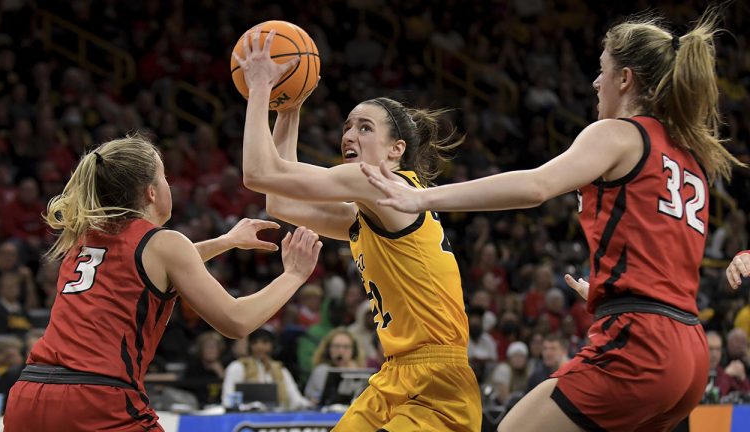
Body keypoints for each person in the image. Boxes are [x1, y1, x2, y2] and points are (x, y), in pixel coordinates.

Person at [362, 8, 744, 432]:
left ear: (625, 78)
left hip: (642, 341)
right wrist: (609, 291)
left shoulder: (618, 134)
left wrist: (420, 198)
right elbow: (666, 253)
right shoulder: (688, 157)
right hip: (688, 350)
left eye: (602, 71)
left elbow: (536, 186)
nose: (596, 83)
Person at [235, 30, 481, 431]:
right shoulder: (369, 210)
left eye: (365, 128)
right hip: (394, 374)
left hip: (439, 383)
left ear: (395, 150)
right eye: (347, 127)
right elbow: (278, 201)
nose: (349, 135)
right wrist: (288, 108)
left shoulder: (383, 185)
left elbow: (258, 173)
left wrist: (261, 85)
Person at [3, 134, 323, 431]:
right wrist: (293, 275)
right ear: (151, 192)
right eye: (164, 176)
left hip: (29, 395)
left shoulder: (83, 240)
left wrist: (225, 241)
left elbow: (154, 269)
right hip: (96, 397)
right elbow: (236, 321)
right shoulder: (164, 242)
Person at [221, 327, 310, 410]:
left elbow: (295, 398)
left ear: (272, 346)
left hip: (275, 419)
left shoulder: (281, 370)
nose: (259, 347)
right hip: (244, 418)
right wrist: (251, 408)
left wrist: (309, 404)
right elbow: (227, 400)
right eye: (255, 343)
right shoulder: (238, 367)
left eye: (265, 342)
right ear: (250, 346)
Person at [304, 327, 365, 405]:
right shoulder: (321, 370)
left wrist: (355, 374)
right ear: (328, 349)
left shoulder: (359, 372)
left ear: (354, 351)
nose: (341, 351)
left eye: (346, 347)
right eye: (336, 346)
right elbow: (334, 398)